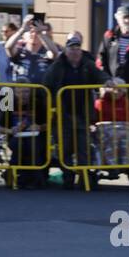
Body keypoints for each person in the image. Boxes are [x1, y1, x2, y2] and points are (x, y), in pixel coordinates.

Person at [41, 32, 105, 189]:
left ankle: (84, 179)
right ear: (66, 51)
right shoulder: (57, 65)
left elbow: (99, 74)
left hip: (82, 114)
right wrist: (50, 108)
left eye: (77, 48)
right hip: (62, 115)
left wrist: (108, 80)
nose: (75, 52)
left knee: (84, 147)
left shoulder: (86, 63)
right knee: (64, 149)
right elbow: (45, 87)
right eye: (71, 49)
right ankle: (68, 178)